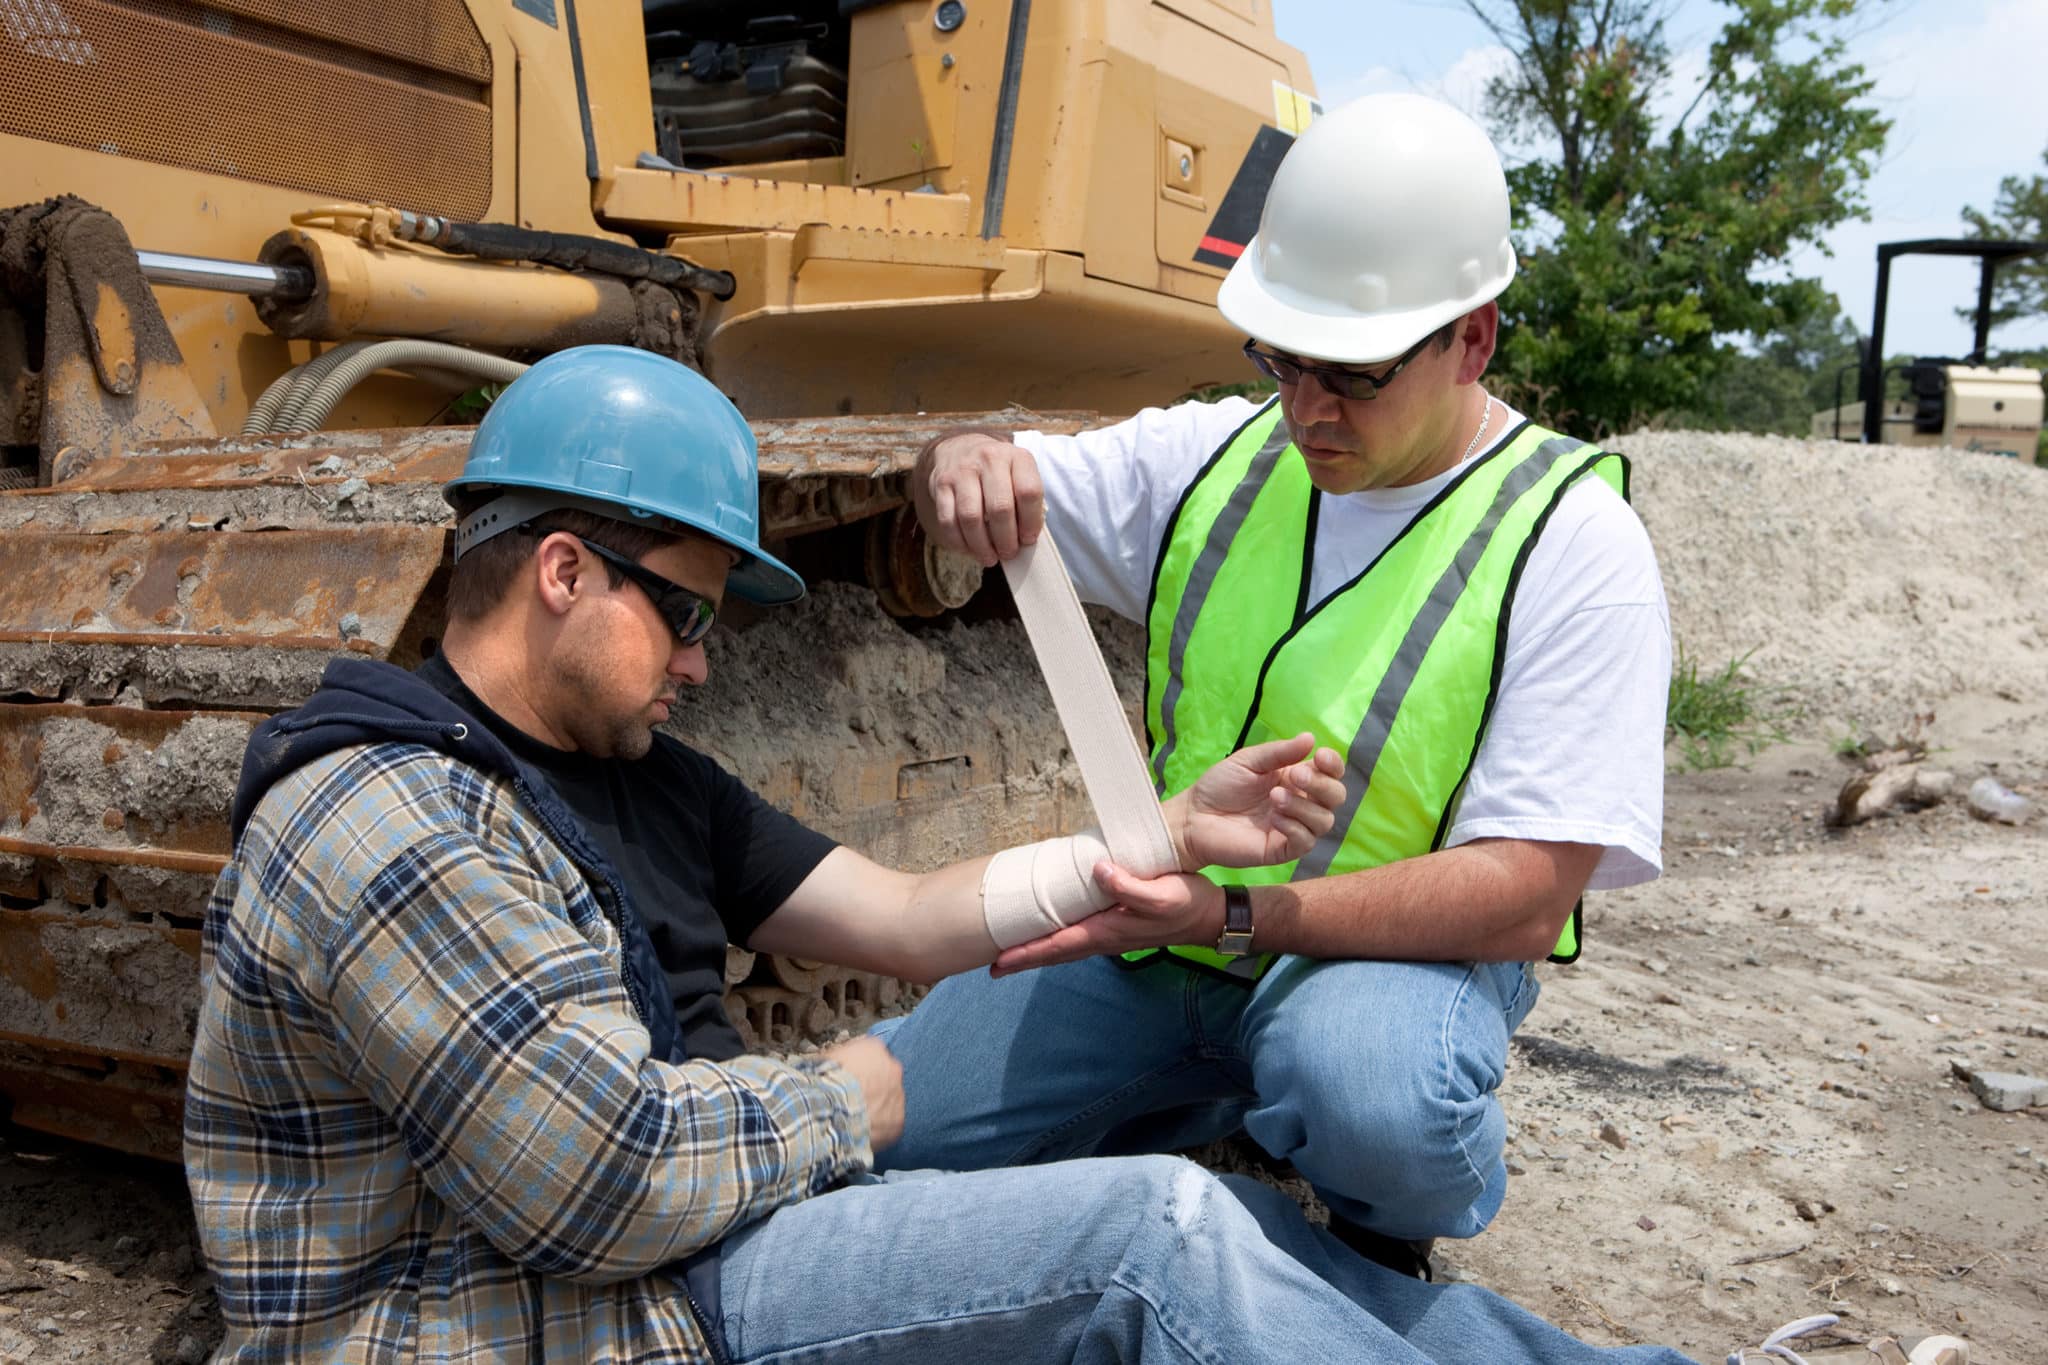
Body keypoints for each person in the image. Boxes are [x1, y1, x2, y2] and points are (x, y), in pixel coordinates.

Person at [182, 345, 1698, 1364]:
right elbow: (598, 1188)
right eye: (691, 612)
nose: (705, 662)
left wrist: (1155, 838)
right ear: (566, 572)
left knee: (1215, 1218)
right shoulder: (389, 817)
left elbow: (904, 918)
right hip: (558, 1313)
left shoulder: (635, 775)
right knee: (1150, 1228)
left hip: (688, 1237)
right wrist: (847, 1095)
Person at [875, 90, 1673, 1277]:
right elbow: (993, 472)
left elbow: (1523, 894)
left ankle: (1370, 1219)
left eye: (1349, 373)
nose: (1306, 408)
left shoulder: (1571, 544)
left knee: (1372, 1099)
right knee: (898, 1134)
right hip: (1163, 947)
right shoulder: (1223, 455)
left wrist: (1240, 914)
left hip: (1378, 973)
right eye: (1281, 362)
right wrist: (959, 462)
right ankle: (1214, 1105)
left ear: (1472, 338)